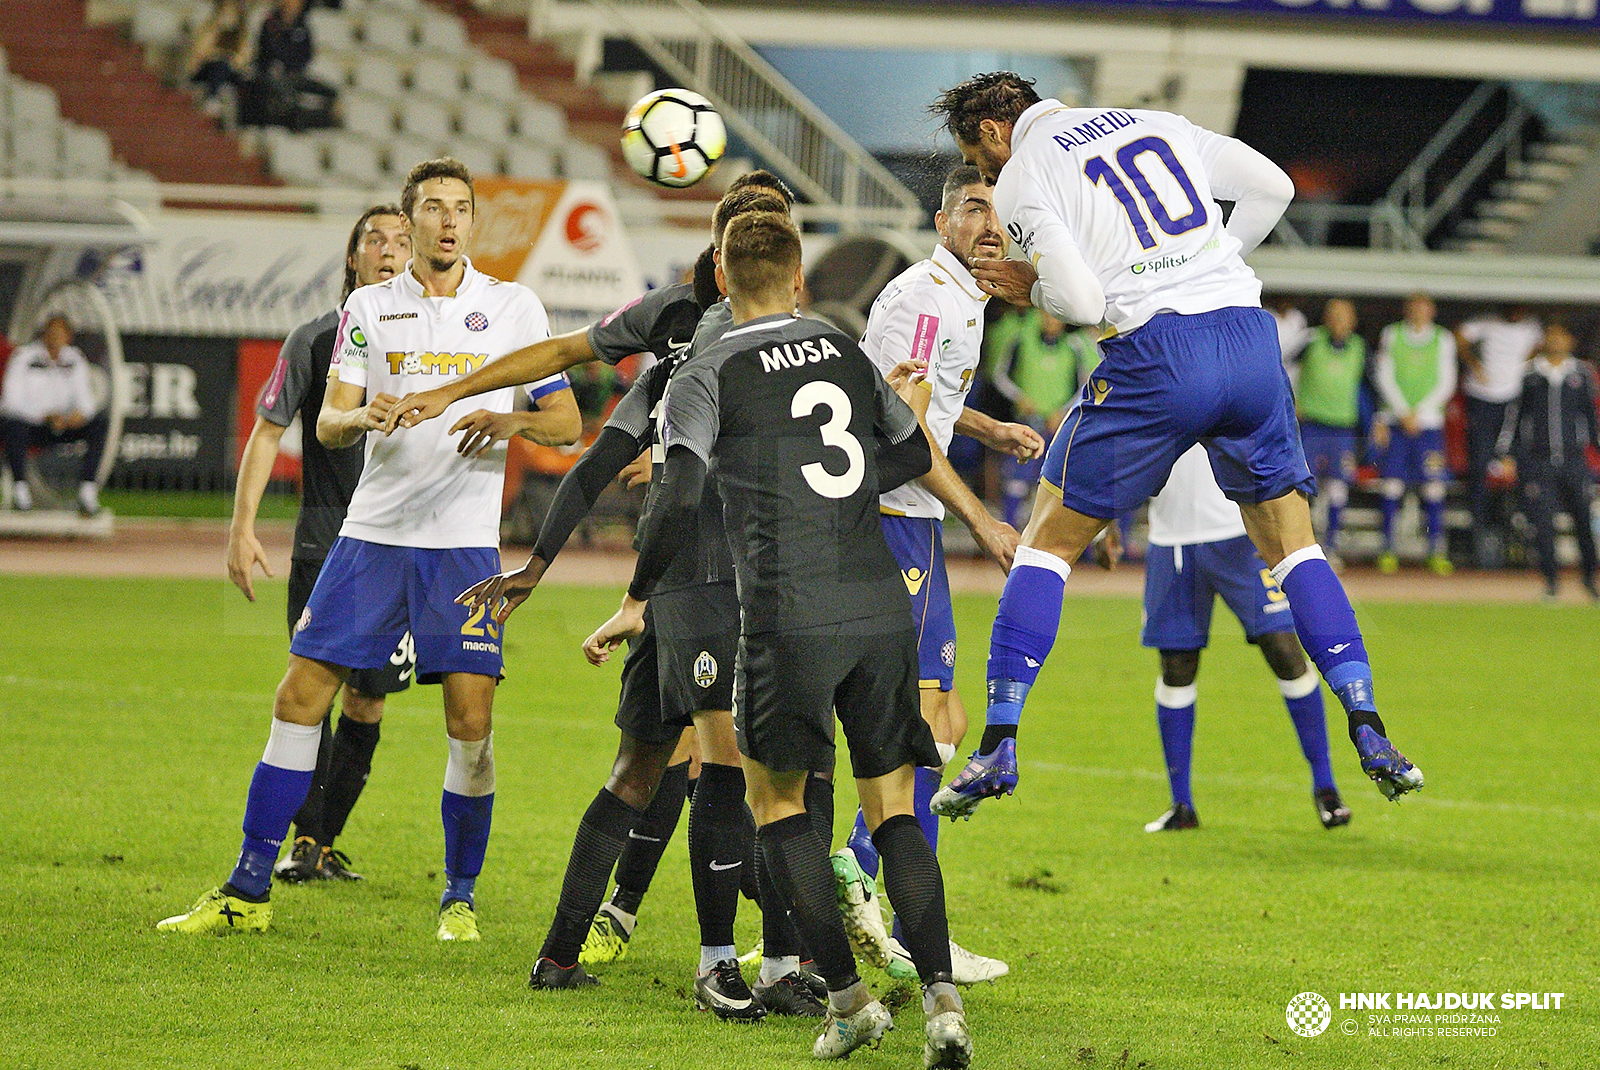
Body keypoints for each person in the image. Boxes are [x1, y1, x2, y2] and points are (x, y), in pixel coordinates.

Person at [921, 72, 1423, 825]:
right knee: (1295, 550)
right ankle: (1368, 720)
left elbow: (1085, 303)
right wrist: (1209, 262)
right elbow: (1273, 188)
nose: (990, 178)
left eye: (981, 162)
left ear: (993, 131)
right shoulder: (1151, 119)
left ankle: (999, 740)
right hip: (1247, 341)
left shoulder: (1027, 169)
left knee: (1045, 546)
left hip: (1157, 355)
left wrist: (1034, 288)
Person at [400, 175, 834, 1015]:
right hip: (710, 570)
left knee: (642, 765)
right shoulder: (708, 332)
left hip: (675, 575)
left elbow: (606, 449)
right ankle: (743, 962)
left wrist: (546, 566)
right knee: (740, 763)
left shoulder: (691, 346)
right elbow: (592, 417)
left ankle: (564, 951)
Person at [580, 208, 972, 1067]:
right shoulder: (842, 347)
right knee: (893, 808)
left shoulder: (707, 368)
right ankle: (942, 1000)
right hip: (876, 608)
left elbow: (677, 499)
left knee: (776, 804)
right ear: (798, 278)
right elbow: (907, 461)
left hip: (785, 616)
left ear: (721, 277)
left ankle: (849, 1003)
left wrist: (638, 596)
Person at [156, 157, 580, 940]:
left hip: (462, 552)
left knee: (469, 720)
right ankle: (247, 888)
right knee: (298, 698)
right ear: (410, 221)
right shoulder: (370, 308)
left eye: (460, 208)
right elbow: (326, 421)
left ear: (474, 223)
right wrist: (362, 419)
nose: (448, 221)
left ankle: (459, 896)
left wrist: (510, 421)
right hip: (372, 537)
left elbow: (566, 425)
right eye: (433, 208)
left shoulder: (515, 307)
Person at [831, 165, 1040, 988]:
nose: (991, 225)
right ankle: (877, 897)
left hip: (906, 525)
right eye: (976, 209)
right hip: (893, 528)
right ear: (943, 216)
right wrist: (982, 518)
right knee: (918, 724)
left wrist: (985, 426)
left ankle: (877, 895)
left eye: (1001, 213)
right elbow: (907, 431)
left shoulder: (959, 298)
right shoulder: (928, 297)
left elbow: (910, 399)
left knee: (940, 718)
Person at [226, 206, 419, 883]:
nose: (389, 251)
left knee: (368, 700)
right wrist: (242, 527)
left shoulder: (432, 338)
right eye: (375, 240)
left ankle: (322, 840)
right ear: (352, 258)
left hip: (401, 555)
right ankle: (304, 840)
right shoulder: (315, 339)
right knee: (313, 695)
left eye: (403, 241)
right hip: (324, 550)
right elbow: (267, 429)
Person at [1140, 445, 1350, 832]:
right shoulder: (1144, 384)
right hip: (1171, 541)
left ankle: (1326, 787)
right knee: (1176, 667)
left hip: (1239, 533)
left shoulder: (1232, 382)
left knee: (1285, 651)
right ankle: (1181, 804)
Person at [1493, 321, 1599, 600]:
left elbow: (1591, 415)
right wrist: (1506, 453)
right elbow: (1515, 417)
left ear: (1570, 341)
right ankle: (1551, 582)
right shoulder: (1531, 374)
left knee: (1583, 521)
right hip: (1539, 461)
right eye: (1551, 335)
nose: (1556, 340)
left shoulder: (1581, 373)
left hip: (1574, 458)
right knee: (1543, 523)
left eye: (1561, 335)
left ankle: (1589, 578)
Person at [1372, 293, 1458, 575]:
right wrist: (1402, 411)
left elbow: (1447, 381)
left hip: (1429, 424)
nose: (1419, 312)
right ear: (1407, 309)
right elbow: (1384, 374)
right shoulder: (1392, 334)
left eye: (1424, 307)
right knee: (1392, 485)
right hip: (1397, 422)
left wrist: (1419, 412)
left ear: (1432, 311)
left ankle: (1435, 549)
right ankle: (1388, 548)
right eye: (1414, 306)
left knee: (1433, 486)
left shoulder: (1443, 339)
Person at [988, 306, 1096, 529]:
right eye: (1046, 315)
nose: (1050, 321)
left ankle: (1054, 533)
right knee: (1017, 477)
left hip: (1058, 424)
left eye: (1056, 317)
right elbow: (1000, 375)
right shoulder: (1020, 340)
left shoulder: (1073, 347)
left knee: (1059, 480)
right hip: (1027, 422)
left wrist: (1063, 411)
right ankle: (1009, 528)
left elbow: (1082, 385)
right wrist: (1020, 398)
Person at [1457, 306, 1541, 567]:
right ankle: (1479, 530)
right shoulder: (1485, 321)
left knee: (1520, 462)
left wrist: (1524, 365)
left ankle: (1522, 527)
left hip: (1513, 398)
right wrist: (1474, 363)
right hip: (1483, 398)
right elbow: (1460, 336)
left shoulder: (1532, 327)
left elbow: (1540, 344)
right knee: (1480, 465)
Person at [1, 315, 108, 516]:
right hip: (30, 426)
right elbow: (10, 403)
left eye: (60, 334)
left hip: (64, 426)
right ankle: (21, 493)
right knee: (12, 425)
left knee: (99, 423)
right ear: (43, 334)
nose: (54, 339)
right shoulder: (24, 357)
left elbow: (86, 400)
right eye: (51, 333)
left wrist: (79, 415)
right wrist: (44, 416)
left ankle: (87, 492)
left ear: (68, 337)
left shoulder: (75, 359)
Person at [1293, 299, 1366, 561]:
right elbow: (1284, 364)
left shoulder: (1359, 347)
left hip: (1342, 429)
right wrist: (1292, 400)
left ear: (1353, 321)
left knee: (1337, 488)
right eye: (1334, 315)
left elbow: (1368, 386)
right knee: (1301, 487)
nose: (1338, 321)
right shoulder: (1311, 340)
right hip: (1311, 426)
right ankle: (1300, 546)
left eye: (1344, 316)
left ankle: (1331, 546)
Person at [185, 0, 253, 123]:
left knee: (227, 67)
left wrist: (230, 58)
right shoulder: (209, 25)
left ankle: (242, 120)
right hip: (207, 70)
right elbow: (200, 51)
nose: (229, 15)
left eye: (233, 10)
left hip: (229, 71)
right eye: (227, 10)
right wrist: (217, 26)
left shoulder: (242, 32)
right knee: (219, 65)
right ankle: (212, 99)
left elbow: (244, 58)